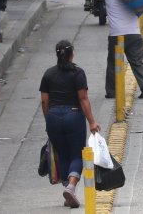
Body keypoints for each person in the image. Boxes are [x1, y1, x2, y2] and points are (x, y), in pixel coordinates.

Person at [39, 40, 100, 208]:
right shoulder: (78, 73)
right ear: (71, 54)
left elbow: (44, 101)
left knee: (62, 155)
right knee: (77, 155)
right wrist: (92, 122)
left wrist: (48, 120)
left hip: (53, 116)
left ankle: (67, 190)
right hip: (73, 115)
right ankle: (71, 187)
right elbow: (83, 98)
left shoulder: (48, 74)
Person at [90, 0, 143, 100]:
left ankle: (112, 92)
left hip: (116, 34)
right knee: (137, 62)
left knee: (113, 63)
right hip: (134, 33)